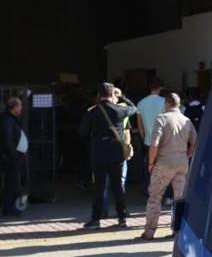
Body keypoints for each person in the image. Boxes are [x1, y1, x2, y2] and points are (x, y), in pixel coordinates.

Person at [138, 92, 197, 240]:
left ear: (166, 104)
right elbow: (195, 141)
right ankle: (178, 232)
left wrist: (151, 162)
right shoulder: (186, 120)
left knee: (155, 197)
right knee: (180, 199)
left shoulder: (162, 118)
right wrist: (188, 153)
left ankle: (150, 232)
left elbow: (154, 144)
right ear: (179, 105)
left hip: (164, 163)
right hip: (181, 164)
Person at [78, 82, 137, 229]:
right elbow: (134, 108)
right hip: (116, 153)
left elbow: (82, 132)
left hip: (98, 152)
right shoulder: (120, 110)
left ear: (98, 96)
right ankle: (122, 218)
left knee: (99, 187)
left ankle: (96, 219)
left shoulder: (92, 112)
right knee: (118, 187)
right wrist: (123, 97)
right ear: (112, 94)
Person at [0, 97, 28, 217]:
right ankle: (9, 207)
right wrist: (14, 155)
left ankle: (10, 206)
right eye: (19, 106)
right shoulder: (7, 120)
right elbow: (8, 141)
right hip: (9, 157)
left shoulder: (9, 119)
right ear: (13, 108)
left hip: (11, 156)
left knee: (13, 182)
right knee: (11, 183)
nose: (21, 108)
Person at [135, 79, 166, 184]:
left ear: (149, 87)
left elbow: (139, 124)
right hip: (163, 140)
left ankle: (150, 190)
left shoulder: (141, 103)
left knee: (150, 166)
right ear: (160, 87)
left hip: (148, 140)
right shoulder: (165, 102)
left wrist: (143, 137)